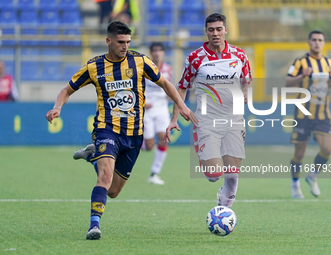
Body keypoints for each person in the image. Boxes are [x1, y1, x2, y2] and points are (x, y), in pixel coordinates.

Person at [45, 21, 195, 240]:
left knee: (113, 191)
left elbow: (165, 84)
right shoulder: (94, 66)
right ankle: (94, 225)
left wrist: (182, 105)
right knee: (104, 178)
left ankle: (92, 156)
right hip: (107, 130)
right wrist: (57, 107)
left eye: (128, 42)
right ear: (108, 41)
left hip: (134, 135)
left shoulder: (140, 61)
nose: (125, 46)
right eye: (120, 42)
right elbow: (67, 90)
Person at [164, 13, 252, 208]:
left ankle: (223, 212)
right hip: (206, 122)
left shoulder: (239, 56)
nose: (215, 33)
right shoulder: (195, 58)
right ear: (206, 32)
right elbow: (182, 87)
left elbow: (247, 81)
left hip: (234, 120)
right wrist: (175, 118)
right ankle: (204, 153)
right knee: (213, 175)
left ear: (226, 31)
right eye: (211, 30)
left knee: (232, 176)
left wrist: (246, 93)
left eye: (219, 29)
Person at [285, 30, 331, 199]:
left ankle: (312, 175)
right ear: (309, 42)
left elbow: (329, 82)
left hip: (323, 114)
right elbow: (288, 82)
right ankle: (295, 183)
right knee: (299, 153)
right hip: (303, 114)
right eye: (314, 40)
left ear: (324, 43)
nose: (317, 43)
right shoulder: (300, 61)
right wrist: (303, 75)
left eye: (320, 40)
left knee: (327, 149)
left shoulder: (328, 62)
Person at [143, 42, 172, 185]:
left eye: (159, 50)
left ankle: (154, 173)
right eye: (154, 50)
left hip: (162, 108)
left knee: (163, 138)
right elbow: (136, 88)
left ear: (163, 53)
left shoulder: (167, 69)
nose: (157, 53)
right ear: (150, 52)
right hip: (147, 109)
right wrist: (142, 103)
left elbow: (168, 87)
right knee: (148, 147)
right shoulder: (144, 68)